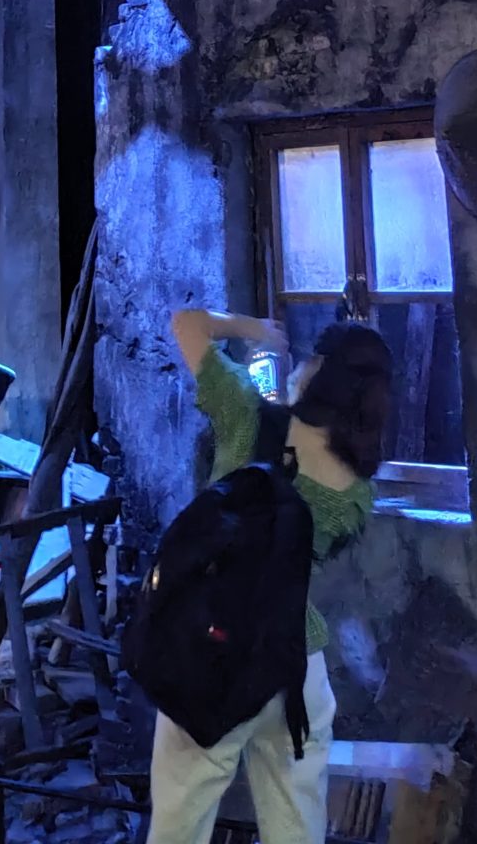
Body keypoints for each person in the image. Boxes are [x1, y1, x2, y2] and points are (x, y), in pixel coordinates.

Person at [148, 305, 392, 844]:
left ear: (320, 371)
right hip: (296, 667)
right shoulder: (357, 491)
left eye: (310, 358)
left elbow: (187, 324)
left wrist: (251, 329)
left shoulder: (245, 416)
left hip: (211, 657)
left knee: (178, 828)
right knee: (297, 828)